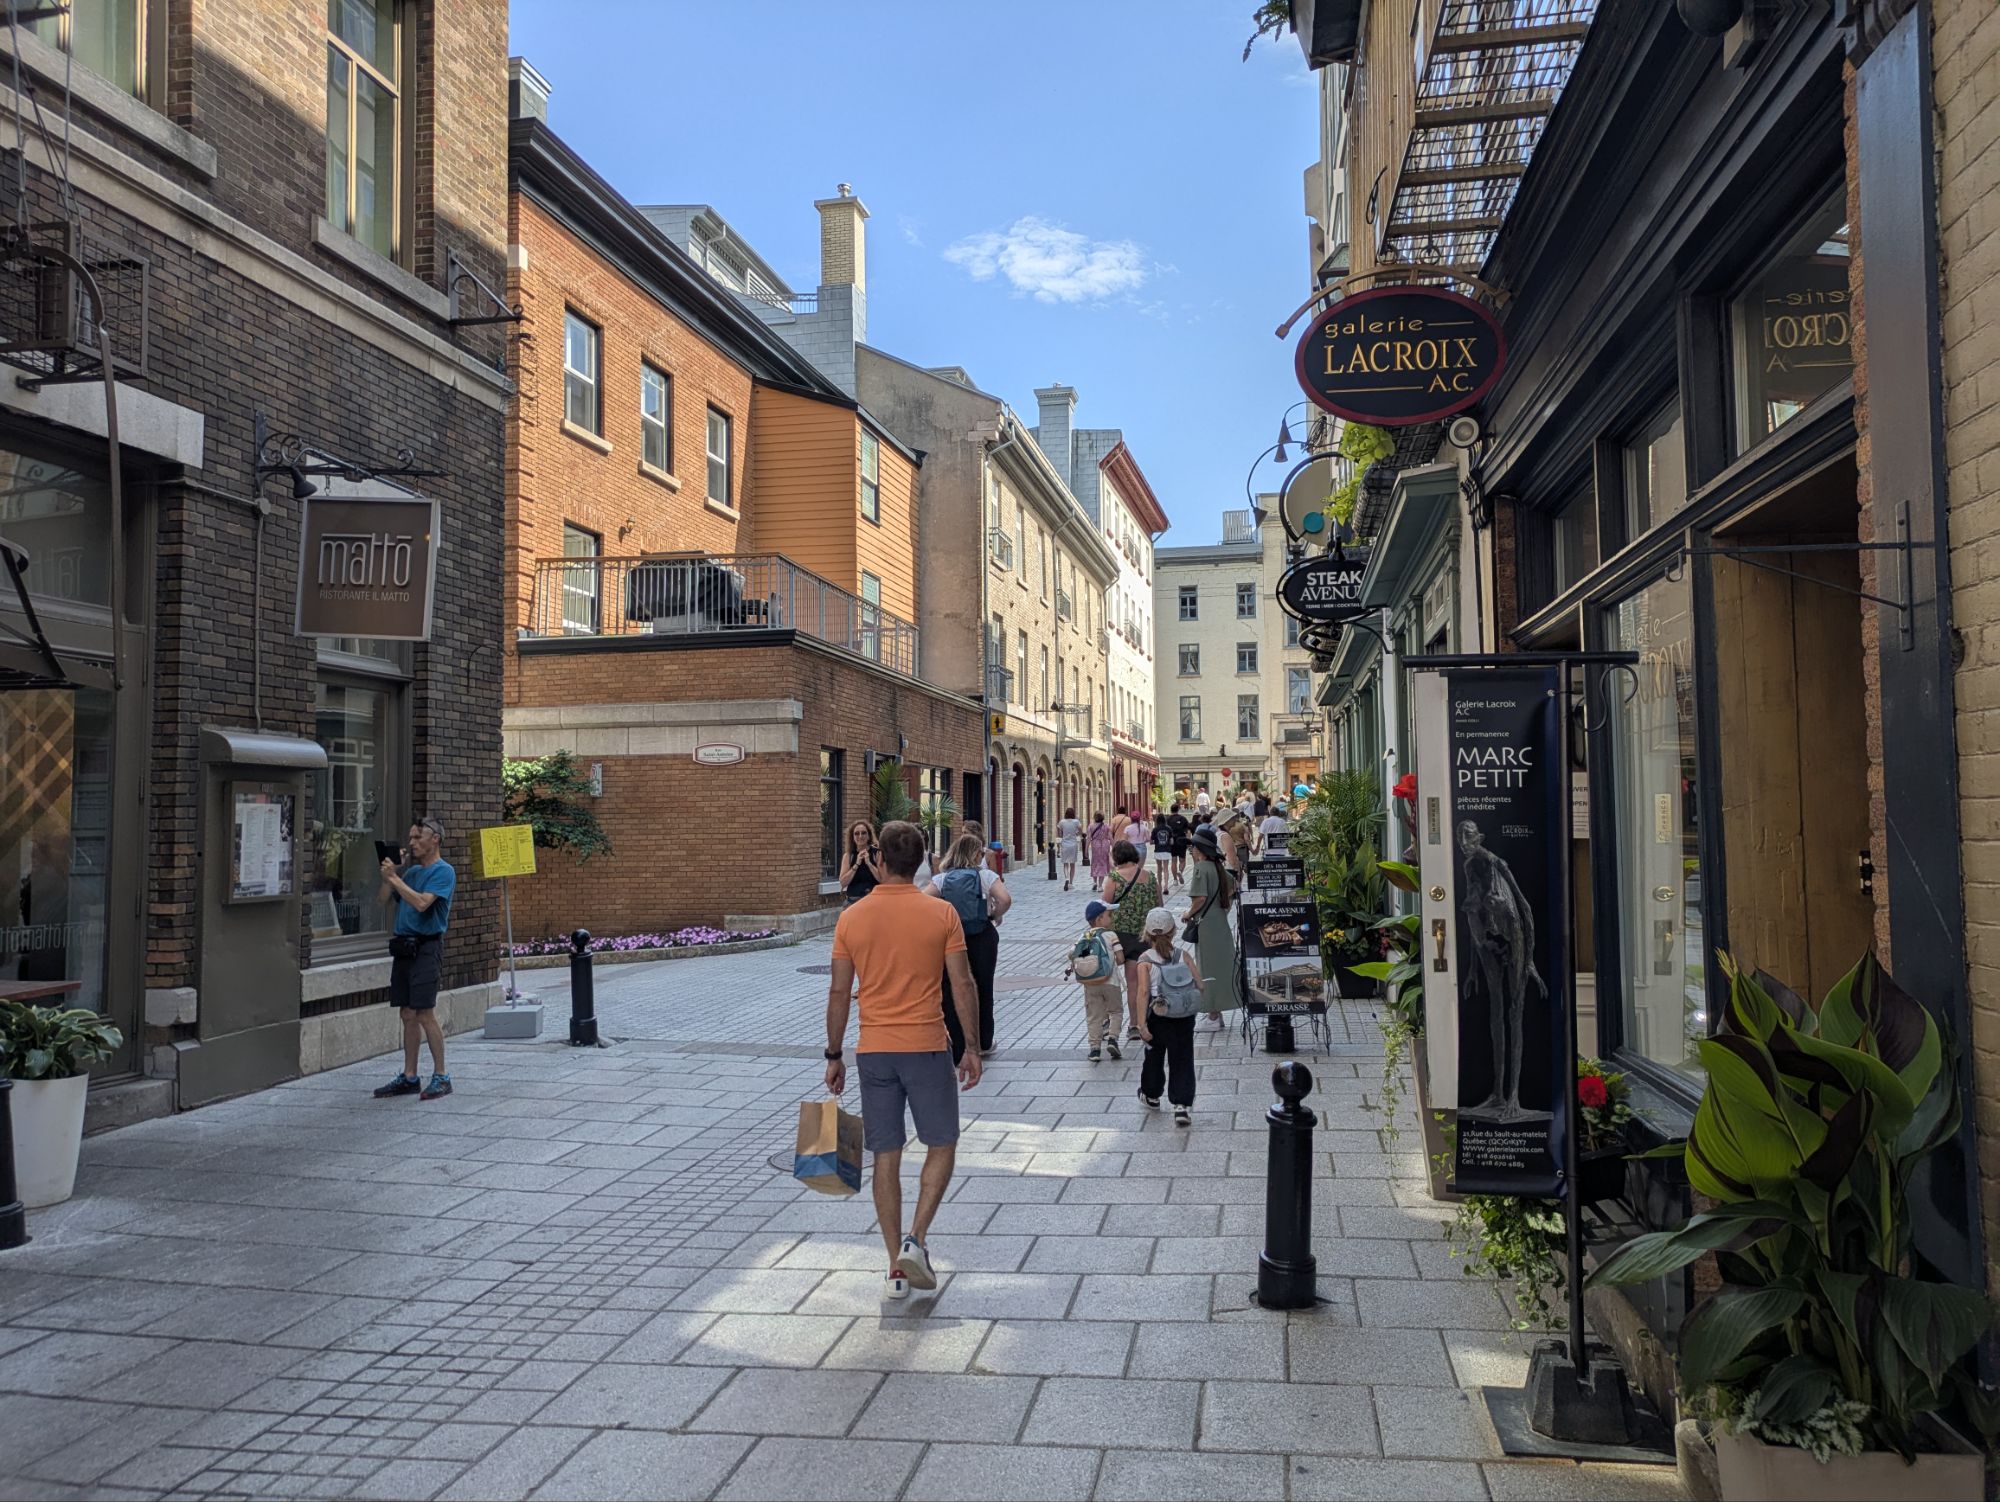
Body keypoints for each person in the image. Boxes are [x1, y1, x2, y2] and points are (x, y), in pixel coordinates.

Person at [824, 821, 983, 1300]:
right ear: (921, 863)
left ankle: (895, 1265)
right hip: (927, 1045)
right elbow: (962, 983)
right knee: (943, 1142)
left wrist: (834, 1054)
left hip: (874, 1050)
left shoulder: (852, 918)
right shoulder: (941, 913)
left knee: (885, 1156)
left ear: (880, 860)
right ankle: (917, 1238)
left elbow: (838, 992)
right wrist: (971, 1047)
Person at [372, 817, 457, 1101]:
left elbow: (422, 903)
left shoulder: (444, 871)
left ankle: (441, 1076)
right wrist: (391, 876)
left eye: (418, 837)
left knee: (424, 1013)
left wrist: (396, 879)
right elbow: (383, 899)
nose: (412, 843)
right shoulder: (411, 873)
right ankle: (410, 1076)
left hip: (426, 948)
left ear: (435, 839)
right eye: (410, 837)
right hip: (404, 948)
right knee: (407, 1013)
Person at [926, 832, 1012, 1058]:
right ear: (975, 854)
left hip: (951, 938)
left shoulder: (942, 879)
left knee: (951, 987)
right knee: (984, 986)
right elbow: (1005, 899)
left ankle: (957, 1043)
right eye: (980, 852)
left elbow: (924, 902)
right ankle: (983, 1041)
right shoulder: (985, 876)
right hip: (982, 934)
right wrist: (993, 915)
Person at [1134, 906, 1203, 1126]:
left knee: (1154, 1056)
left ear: (1147, 933)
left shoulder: (1145, 960)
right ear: (1173, 931)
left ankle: (1151, 1095)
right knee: (1182, 1057)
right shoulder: (1183, 955)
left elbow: (1143, 993)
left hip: (1158, 1014)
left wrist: (1141, 1024)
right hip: (1183, 1016)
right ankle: (1181, 1105)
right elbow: (1200, 984)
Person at [1101, 839, 1162, 1043]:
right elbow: (1159, 906)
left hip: (1121, 937)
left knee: (1124, 981)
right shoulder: (1150, 877)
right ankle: (1141, 1023)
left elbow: (1104, 908)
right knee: (1143, 981)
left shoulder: (1114, 878)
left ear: (1117, 857)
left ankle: (1122, 1022)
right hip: (1145, 936)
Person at [1186, 826, 1243, 1029]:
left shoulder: (1201, 868)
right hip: (1219, 920)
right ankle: (1218, 1009)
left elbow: (1200, 898)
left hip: (1206, 924)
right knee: (1221, 964)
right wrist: (1221, 904)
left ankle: (1212, 1011)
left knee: (1206, 966)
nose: (1191, 851)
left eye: (1193, 847)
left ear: (1200, 849)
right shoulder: (1218, 866)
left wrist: (1188, 914)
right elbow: (1234, 886)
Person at [1065, 899, 1123, 1063]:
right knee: (1116, 1011)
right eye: (1108, 915)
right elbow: (1120, 958)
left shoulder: (1084, 936)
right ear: (1099, 919)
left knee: (1094, 1016)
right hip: (1111, 982)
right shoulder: (1111, 935)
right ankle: (1112, 1039)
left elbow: (1071, 954)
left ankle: (1095, 1049)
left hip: (1090, 984)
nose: (1111, 918)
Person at [838, 820, 882, 905]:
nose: (860, 836)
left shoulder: (877, 853)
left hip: (873, 902)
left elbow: (882, 879)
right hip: (853, 903)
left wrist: (869, 864)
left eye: (864, 833)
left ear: (869, 835)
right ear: (852, 837)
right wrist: (856, 865)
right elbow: (843, 883)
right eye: (856, 833)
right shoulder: (848, 856)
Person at [1056, 807, 1082, 891]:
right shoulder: (1076, 822)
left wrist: (1063, 834)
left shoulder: (1062, 822)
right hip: (1073, 844)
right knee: (1072, 864)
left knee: (1065, 863)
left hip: (1065, 844)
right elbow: (1080, 830)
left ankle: (1066, 878)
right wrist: (1077, 833)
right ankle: (1071, 883)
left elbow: (1059, 831)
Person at [1167, 801, 1192, 886]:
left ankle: (1175, 880)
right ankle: (1180, 871)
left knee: (1174, 860)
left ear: (1171, 810)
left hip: (1172, 841)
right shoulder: (1183, 819)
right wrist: (1189, 841)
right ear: (1178, 810)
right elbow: (1188, 831)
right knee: (1182, 860)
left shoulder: (1168, 819)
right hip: (1182, 840)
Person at [1086, 810, 1113, 885]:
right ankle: (1100, 885)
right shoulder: (1106, 826)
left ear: (1095, 817)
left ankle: (1095, 882)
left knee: (1095, 862)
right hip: (1105, 845)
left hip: (1095, 845)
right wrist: (1114, 847)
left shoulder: (1091, 826)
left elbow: (1088, 838)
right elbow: (1110, 837)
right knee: (1103, 863)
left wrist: (1086, 849)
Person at [1150, 812, 1174, 892]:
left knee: (1159, 868)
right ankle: (1166, 886)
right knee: (1166, 868)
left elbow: (1151, 841)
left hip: (1158, 850)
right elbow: (1172, 841)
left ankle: (1160, 885)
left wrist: (1156, 842)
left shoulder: (1155, 829)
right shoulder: (1169, 828)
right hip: (1167, 850)